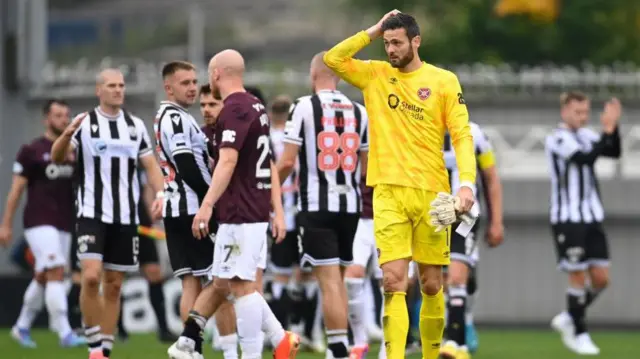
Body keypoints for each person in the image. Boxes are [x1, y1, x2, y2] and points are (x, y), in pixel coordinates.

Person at [324, 11, 477, 359]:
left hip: (432, 195)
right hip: (388, 192)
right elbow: (334, 58)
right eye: (387, 43)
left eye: (396, 42)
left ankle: (430, 353)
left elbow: (462, 135)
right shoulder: (375, 75)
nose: (390, 49)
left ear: (415, 41)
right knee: (392, 281)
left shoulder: (443, 81)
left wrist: (466, 185)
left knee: (431, 284)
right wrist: (373, 30)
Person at [168, 50, 299, 359]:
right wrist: (276, 211)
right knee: (222, 281)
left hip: (240, 212)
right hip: (248, 211)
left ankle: (275, 342)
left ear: (216, 74)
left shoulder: (235, 108)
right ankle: (188, 342)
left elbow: (227, 161)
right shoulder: (256, 106)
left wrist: (207, 204)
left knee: (241, 288)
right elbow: (266, 164)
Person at [50, 68, 165, 359]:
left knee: (113, 286)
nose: (118, 90)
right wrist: (65, 135)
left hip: (126, 218)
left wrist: (162, 193)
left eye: (121, 85)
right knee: (90, 278)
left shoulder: (135, 126)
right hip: (91, 214)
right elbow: (57, 156)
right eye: (112, 85)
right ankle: (93, 346)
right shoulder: (85, 123)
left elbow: (150, 165)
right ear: (98, 90)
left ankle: (106, 350)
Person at [276, 51, 369, 359]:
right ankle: (342, 346)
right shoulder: (360, 111)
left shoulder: (303, 107)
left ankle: (339, 348)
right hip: (351, 205)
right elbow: (367, 168)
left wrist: (264, 186)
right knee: (338, 280)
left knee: (328, 281)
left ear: (312, 74)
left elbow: (288, 161)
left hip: (317, 203)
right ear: (339, 77)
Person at [0, 99, 86, 348]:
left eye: (66, 115)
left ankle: (21, 326)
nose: (63, 119)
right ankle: (65, 332)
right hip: (38, 222)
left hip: (64, 222)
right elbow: (16, 190)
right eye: (58, 115)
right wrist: (6, 224)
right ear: (46, 118)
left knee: (43, 275)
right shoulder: (32, 151)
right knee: (57, 270)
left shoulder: (73, 151)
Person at [545, 92, 621, 356]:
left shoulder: (587, 135)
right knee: (577, 275)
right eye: (578, 112)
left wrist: (613, 129)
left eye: (586, 112)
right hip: (568, 218)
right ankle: (580, 332)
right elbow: (584, 159)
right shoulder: (557, 138)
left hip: (592, 216)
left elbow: (612, 151)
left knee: (601, 279)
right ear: (564, 110)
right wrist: (606, 133)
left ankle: (570, 315)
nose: (583, 117)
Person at [440, 122, 504, 358]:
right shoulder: (421, 124)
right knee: (441, 279)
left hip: (466, 213)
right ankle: (461, 340)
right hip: (432, 213)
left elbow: (491, 176)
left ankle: (454, 342)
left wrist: (496, 221)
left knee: (457, 276)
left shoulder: (474, 133)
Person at [115, 166, 177, 343]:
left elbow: (149, 184)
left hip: (141, 221)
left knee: (154, 272)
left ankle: (163, 329)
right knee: (116, 277)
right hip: (118, 221)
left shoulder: (140, 162)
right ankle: (120, 329)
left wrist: (153, 213)